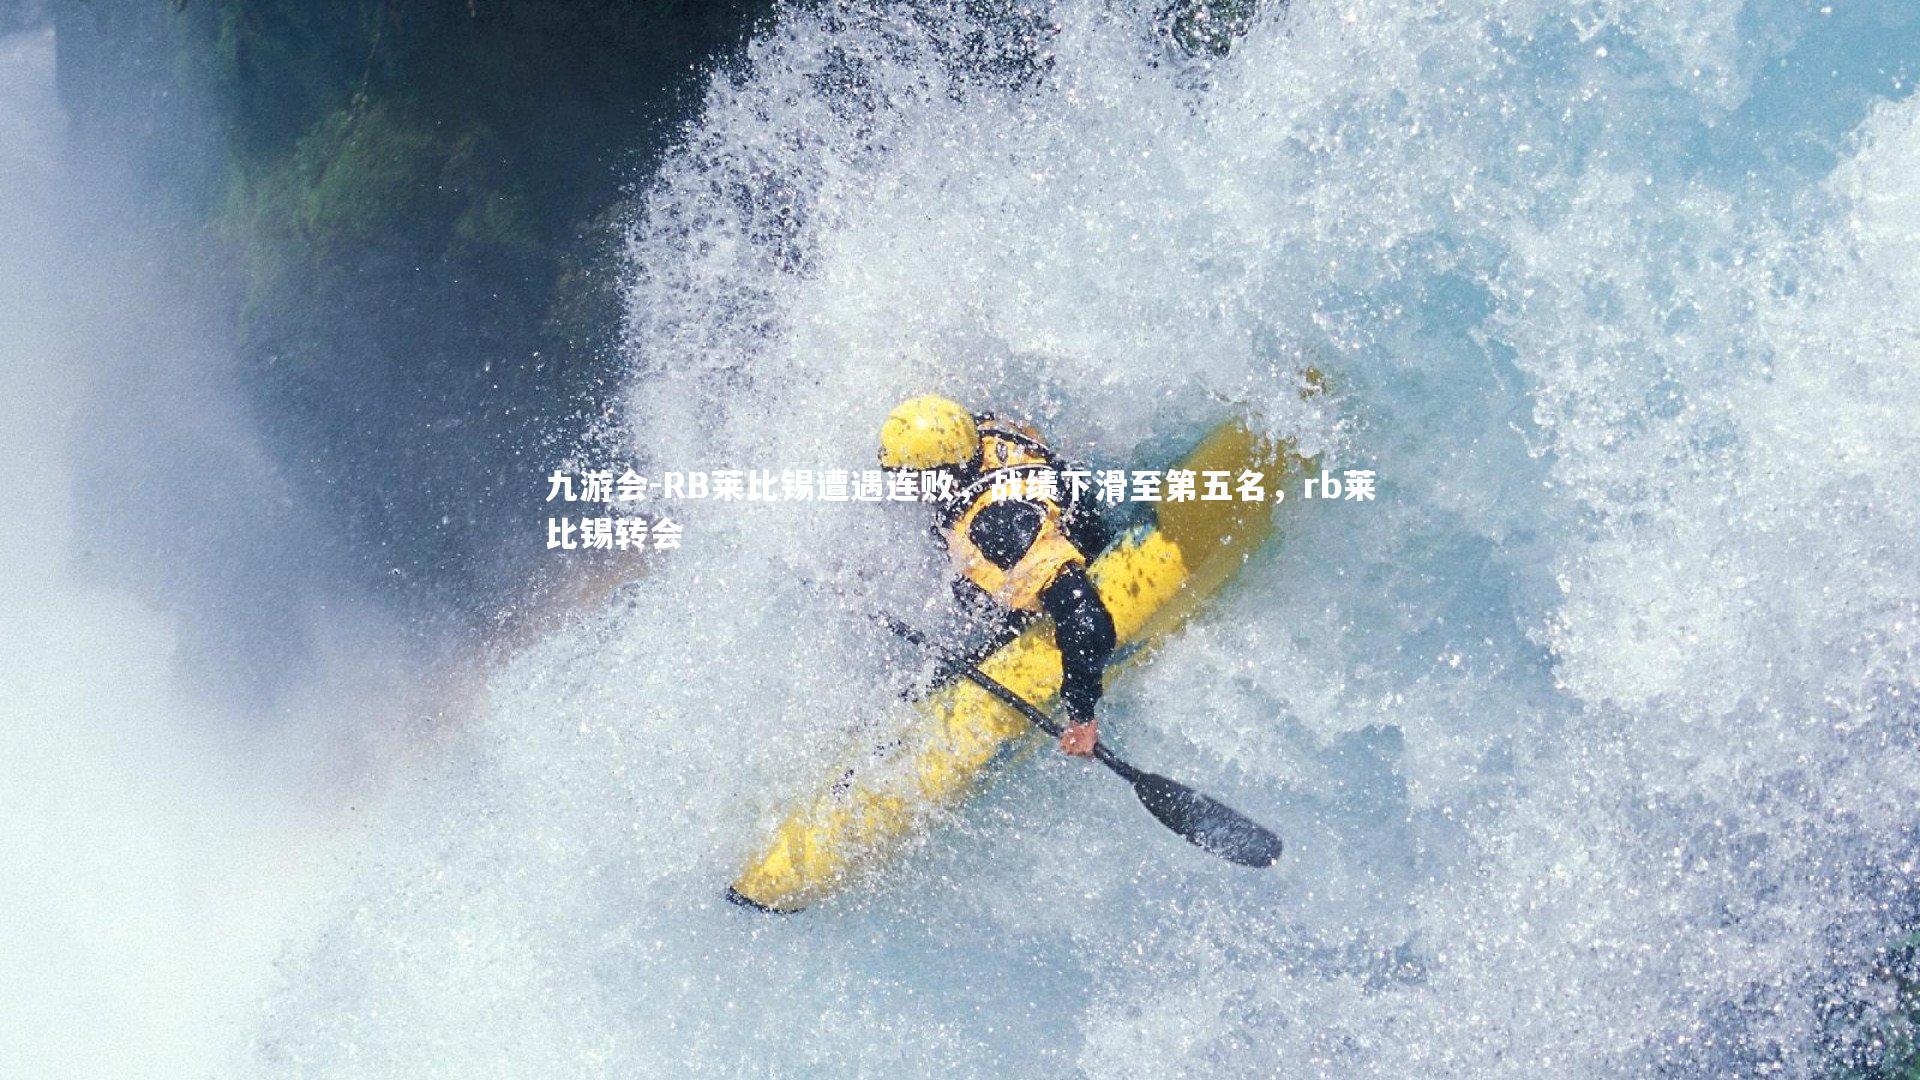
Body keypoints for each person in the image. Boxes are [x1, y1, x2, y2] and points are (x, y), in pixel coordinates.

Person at [877, 394, 1117, 757]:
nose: (902, 489)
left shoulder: (998, 528)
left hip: (1062, 574)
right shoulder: (982, 432)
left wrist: (1081, 716)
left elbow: (1085, 618)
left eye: (907, 480)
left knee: (934, 676)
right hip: (1056, 522)